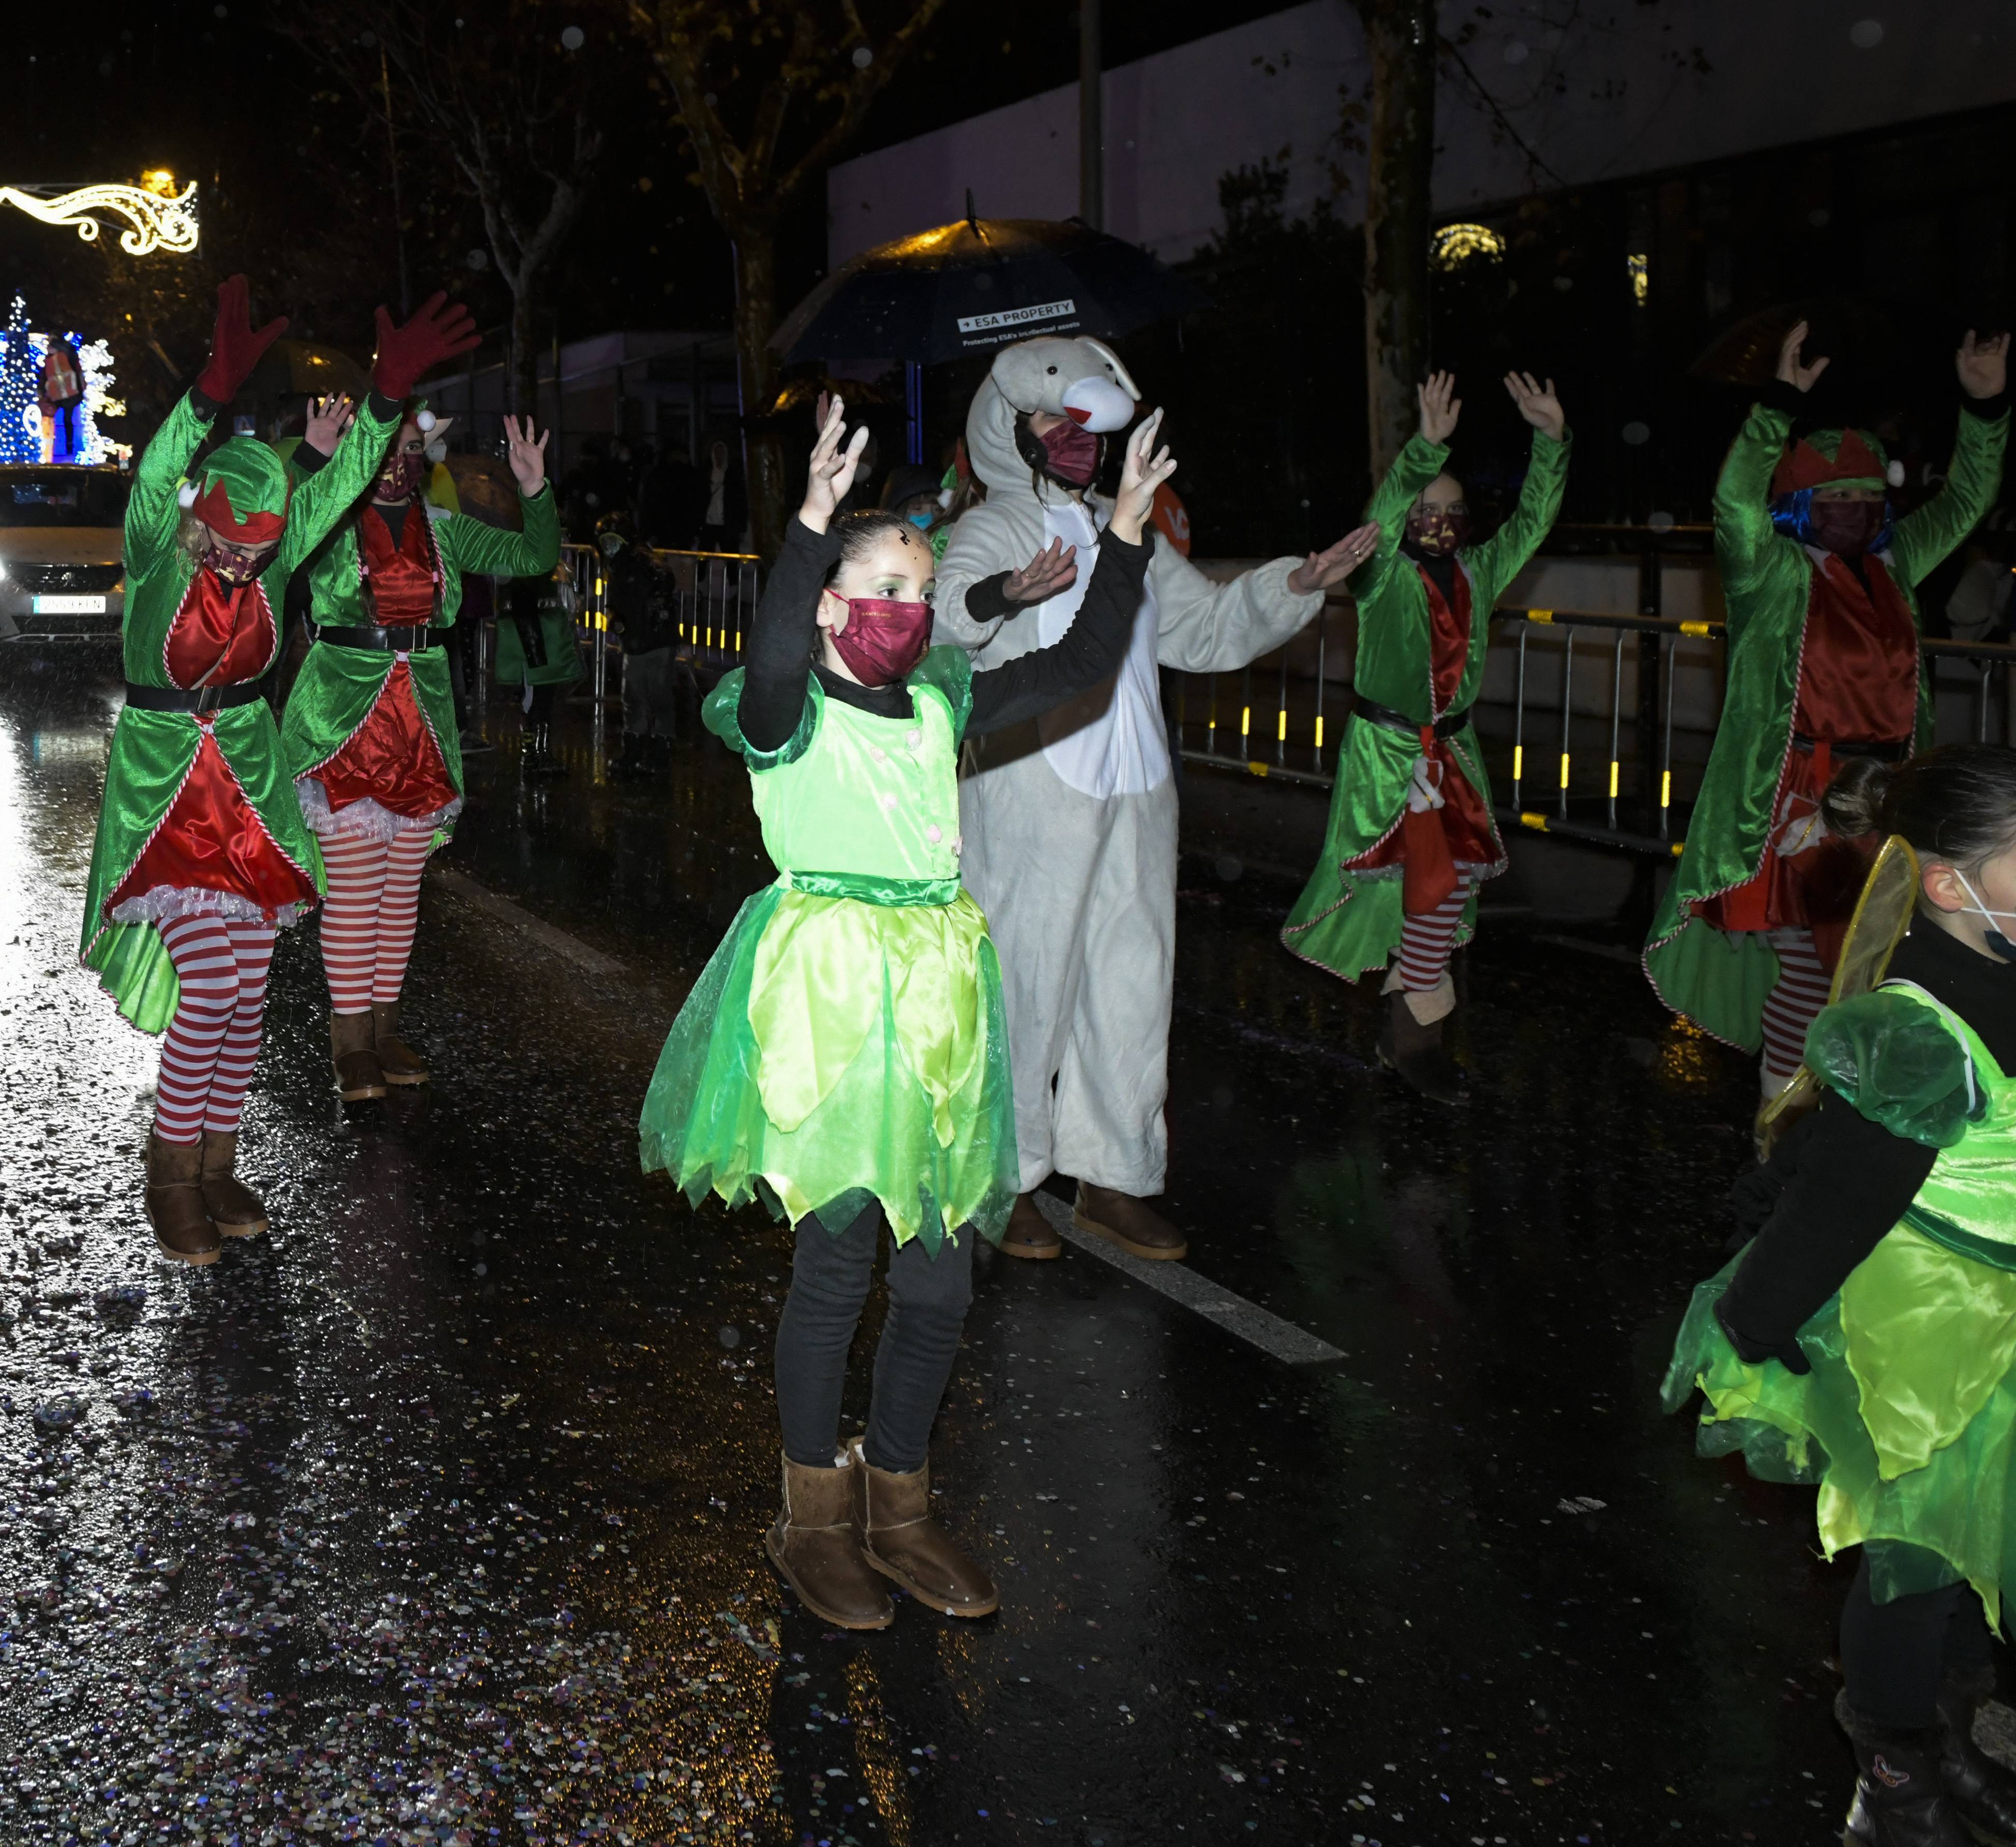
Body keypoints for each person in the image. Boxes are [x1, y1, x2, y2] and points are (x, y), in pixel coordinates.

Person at [641, 397, 1176, 1631]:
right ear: (830, 605)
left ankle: (900, 1507)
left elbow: (1075, 666)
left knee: (938, 1284)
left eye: (920, 592)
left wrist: (1127, 532)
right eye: (883, 587)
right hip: (831, 1006)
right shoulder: (783, 712)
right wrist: (810, 521)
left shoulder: (939, 704)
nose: (907, 609)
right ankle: (812, 1520)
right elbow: (775, 652)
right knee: (836, 1272)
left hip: (938, 1008)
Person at [933, 335, 1378, 1262]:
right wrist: (1002, 594)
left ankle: (1113, 1175)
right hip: (1028, 794)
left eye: (1084, 423)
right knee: (1022, 986)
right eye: (1054, 420)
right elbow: (942, 631)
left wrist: (1297, 583)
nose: (1076, 438)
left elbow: (1204, 626)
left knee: (1132, 985)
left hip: (1134, 787)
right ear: (1008, 427)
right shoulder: (992, 527)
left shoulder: (1122, 524)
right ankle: (1002, 1176)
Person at [1664, 747, 2016, 1844]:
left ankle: (1951, 1732)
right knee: (1914, 1563)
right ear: (1952, 884)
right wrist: (1758, 1316)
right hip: (1929, 1332)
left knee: (1982, 1547)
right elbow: (1839, 1198)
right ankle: (1893, 1775)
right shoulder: (1917, 1030)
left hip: (2004, 1316)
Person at [81, 277, 406, 1265]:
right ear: (201, 519)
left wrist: (386, 398)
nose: (241, 563)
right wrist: (208, 391)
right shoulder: (157, 546)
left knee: (250, 988)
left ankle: (218, 1161)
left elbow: (339, 483)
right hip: (166, 802)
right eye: (228, 543)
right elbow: (158, 473)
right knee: (213, 983)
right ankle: (170, 1173)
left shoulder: (274, 552)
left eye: (260, 552)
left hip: (250, 800)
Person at [1646, 327, 2010, 1099]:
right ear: (1800, 506)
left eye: (1868, 495)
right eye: (1836, 496)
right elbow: (1733, 502)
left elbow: (1967, 500)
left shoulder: (1895, 564)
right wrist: (1777, 405)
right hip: (1802, 797)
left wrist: (1984, 407)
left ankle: (1842, 1118)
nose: (1855, 508)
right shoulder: (1770, 571)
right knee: (1812, 970)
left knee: (1879, 964)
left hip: (1892, 795)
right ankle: (1780, 1125)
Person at [281, 296, 553, 1102]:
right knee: (356, 891)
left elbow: (535, 556)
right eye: (388, 448)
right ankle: (350, 1042)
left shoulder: (443, 525)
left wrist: (534, 488)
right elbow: (284, 529)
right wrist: (314, 460)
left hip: (421, 722)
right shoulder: (330, 519)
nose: (399, 462)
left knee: (402, 891)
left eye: (411, 449)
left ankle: (385, 1027)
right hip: (345, 721)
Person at [1282, 370, 1569, 1101]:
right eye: (1425, 510)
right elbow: (1379, 516)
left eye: (1453, 510)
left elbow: (1534, 522)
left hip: (1454, 754)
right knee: (1412, 888)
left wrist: (1551, 440)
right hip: (1386, 753)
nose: (1440, 522)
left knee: (1443, 891)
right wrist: (1425, 448)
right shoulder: (1379, 573)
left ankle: (1414, 1037)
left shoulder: (1481, 570)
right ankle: (1415, 1041)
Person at [599, 515, 682, 780]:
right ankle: (633, 751)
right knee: (633, 698)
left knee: (659, 697)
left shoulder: (642, 561)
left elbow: (664, 580)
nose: (609, 548)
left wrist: (652, 613)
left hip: (656, 643)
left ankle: (660, 753)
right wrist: (616, 619)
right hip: (635, 643)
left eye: (614, 542)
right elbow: (616, 603)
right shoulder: (618, 567)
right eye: (605, 543)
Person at [492, 558, 581, 783]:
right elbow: (523, 606)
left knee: (541, 701)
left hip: (543, 643)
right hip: (537, 643)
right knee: (537, 702)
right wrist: (535, 652)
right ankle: (536, 756)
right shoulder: (528, 567)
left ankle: (537, 755)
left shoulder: (537, 566)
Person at [700, 435, 748, 553]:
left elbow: (741, 503)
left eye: (722, 453)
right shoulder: (706, 474)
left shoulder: (733, 475)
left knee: (731, 556)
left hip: (727, 524)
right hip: (709, 524)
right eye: (717, 453)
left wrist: (741, 527)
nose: (719, 456)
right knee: (704, 556)